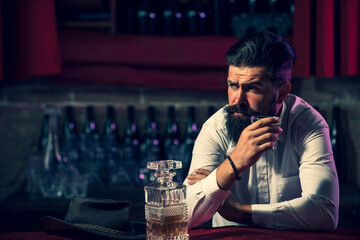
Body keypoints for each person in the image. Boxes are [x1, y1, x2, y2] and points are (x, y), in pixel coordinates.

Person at [185, 31, 339, 231]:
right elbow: (184, 216)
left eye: (252, 88)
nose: (237, 100)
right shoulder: (215, 128)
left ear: (282, 93)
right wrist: (234, 163)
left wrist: (238, 212)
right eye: (233, 85)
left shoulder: (309, 125)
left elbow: (325, 214)